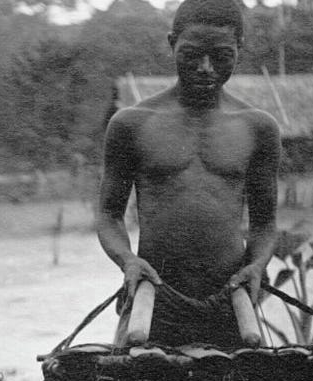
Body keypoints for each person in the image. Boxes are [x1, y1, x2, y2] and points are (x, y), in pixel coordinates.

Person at [96, 0, 279, 348]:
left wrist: (256, 266)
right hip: (153, 301)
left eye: (222, 56)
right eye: (192, 54)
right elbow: (108, 215)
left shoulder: (258, 128)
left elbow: (264, 224)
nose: (206, 68)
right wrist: (128, 261)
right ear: (171, 43)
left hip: (231, 304)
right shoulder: (132, 124)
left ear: (239, 48)